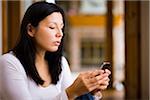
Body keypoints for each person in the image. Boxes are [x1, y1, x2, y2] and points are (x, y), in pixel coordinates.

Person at [0, 1, 111, 100]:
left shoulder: (61, 63)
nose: (60, 34)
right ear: (30, 29)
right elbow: (68, 96)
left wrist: (89, 91)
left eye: (61, 28)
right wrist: (71, 93)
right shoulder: (9, 63)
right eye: (52, 27)